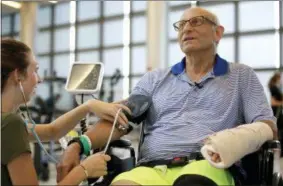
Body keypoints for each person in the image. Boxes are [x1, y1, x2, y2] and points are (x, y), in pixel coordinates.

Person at [58, 7, 277, 186]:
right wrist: (78, 145)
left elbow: (266, 125)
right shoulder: (154, 79)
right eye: (181, 25)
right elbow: (120, 120)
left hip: (208, 165)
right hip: (151, 168)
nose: (186, 28)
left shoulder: (241, 75)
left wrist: (232, 142)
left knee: (191, 183)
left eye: (196, 21)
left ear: (218, 32)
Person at [1, 38, 131, 186]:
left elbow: (52, 131)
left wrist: (88, 106)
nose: (40, 79)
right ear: (18, 75)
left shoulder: (6, 122)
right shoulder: (11, 124)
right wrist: (84, 170)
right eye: (35, 71)